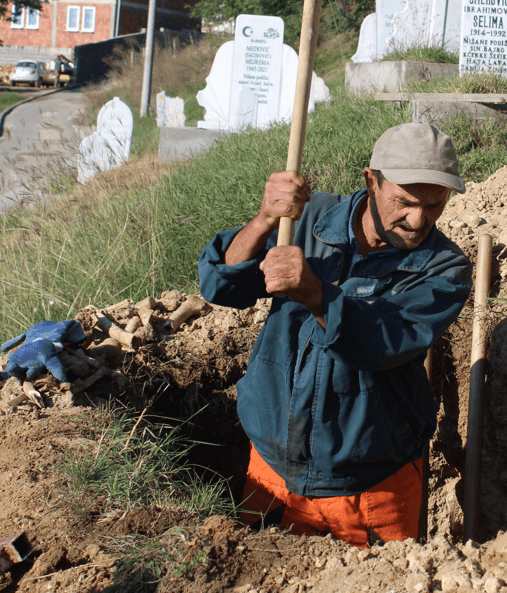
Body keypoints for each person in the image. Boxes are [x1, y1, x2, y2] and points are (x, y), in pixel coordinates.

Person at [198, 122, 472, 547]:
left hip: (375, 486)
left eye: (435, 206)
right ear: (371, 180)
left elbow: (385, 342)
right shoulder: (305, 219)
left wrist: (315, 293)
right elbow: (222, 284)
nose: (418, 220)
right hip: (272, 472)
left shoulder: (444, 268)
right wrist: (265, 218)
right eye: (404, 202)